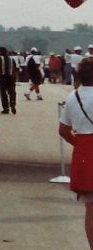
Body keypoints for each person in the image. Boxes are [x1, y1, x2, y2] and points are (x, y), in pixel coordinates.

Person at [60, 56, 93, 247]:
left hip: (84, 155)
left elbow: (63, 130)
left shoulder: (73, 97)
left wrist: (80, 145)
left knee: (90, 209)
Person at [0, 46, 18, 114]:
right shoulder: (11, 58)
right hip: (11, 78)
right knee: (12, 92)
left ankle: (6, 108)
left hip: (2, 78)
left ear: (0, 52)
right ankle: (13, 105)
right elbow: (15, 69)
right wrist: (15, 78)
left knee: (3, 93)